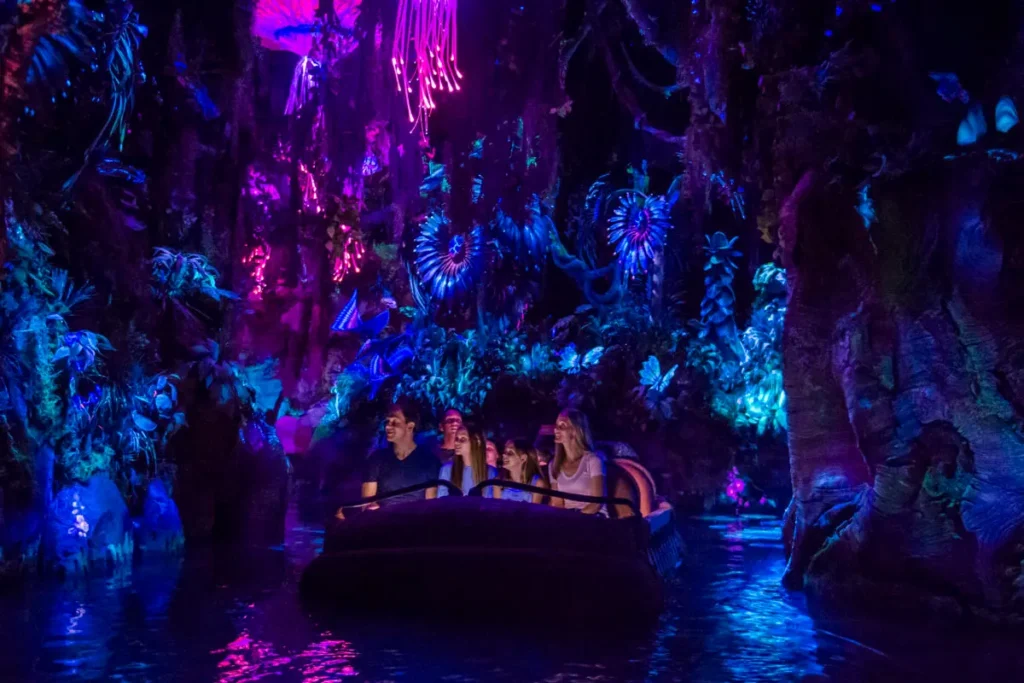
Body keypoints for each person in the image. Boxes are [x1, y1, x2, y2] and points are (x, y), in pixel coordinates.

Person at [345, 399, 438, 516]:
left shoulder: (429, 461)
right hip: (384, 523)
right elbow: (367, 503)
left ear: (410, 426)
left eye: (395, 422)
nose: (388, 426)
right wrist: (371, 509)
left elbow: (430, 505)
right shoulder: (376, 459)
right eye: (387, 422)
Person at [549, 409, 606, 514]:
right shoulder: (554, 464)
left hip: (592, 518)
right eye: (556, 425)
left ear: (575, 431)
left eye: (562, 426)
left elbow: (597, 503)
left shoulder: (593, 461)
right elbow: (557, 502)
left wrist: (575, 519)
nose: (556, 430)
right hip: (568, 520)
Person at [438, 425, 500, 498]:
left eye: (463, 439)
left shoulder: (492, 472)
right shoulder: (447, 470)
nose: (457, 443)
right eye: (456, 439)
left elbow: (495, 503)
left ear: (477, 441)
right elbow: (441, 502)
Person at [499, 439, 549, 503]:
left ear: (523, 458)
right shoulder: (500, 481)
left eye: (510, 453)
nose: (504, 455)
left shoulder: (536, 483)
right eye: (505, 452)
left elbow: (534, 511)